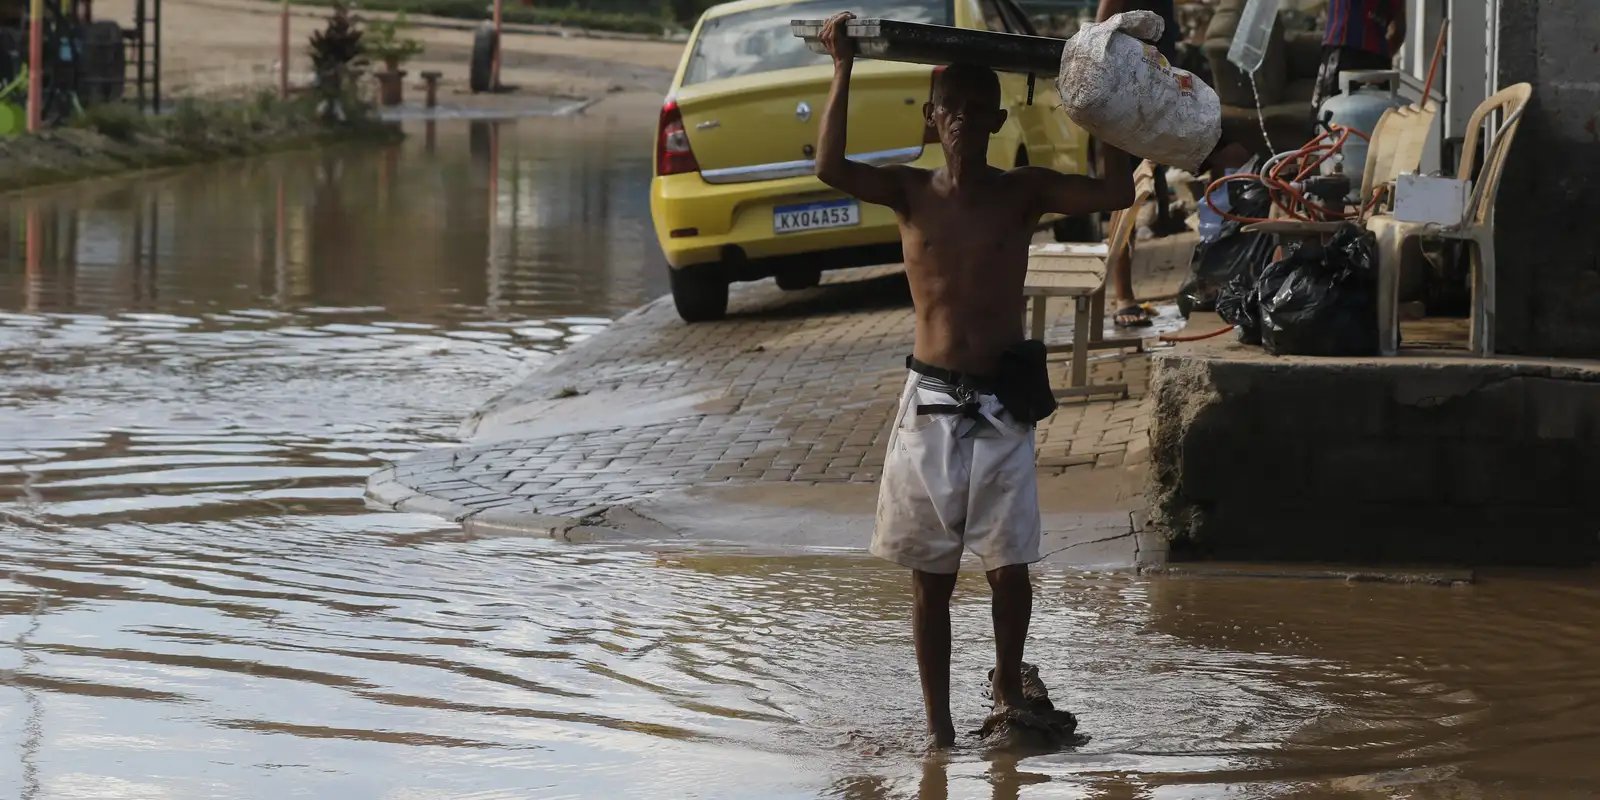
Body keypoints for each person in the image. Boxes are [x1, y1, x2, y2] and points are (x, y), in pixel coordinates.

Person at [812, 12, 1136, 749]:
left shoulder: (1022, 192)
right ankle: (938, 732)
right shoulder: (909, 192)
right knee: (930, 578)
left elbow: (1115, 190)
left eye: (973, 109)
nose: (960, 121)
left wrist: (1100, 94)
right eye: (947, 110)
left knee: (1009, 568)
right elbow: (830, 168)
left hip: (1000, 406)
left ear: (995, 118)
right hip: (928, 404)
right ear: (932, 121)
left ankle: (1010, 692)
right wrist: (843, 67)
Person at [1095, 0, 1183, 327]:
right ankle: (1123, 294)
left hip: (1156, 87)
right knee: (1125, 194)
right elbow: (1099, 33)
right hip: (1123, 94)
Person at [1311, 0, 1406, 115]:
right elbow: (1399, 27)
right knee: (1378, 122)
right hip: (1377, 55)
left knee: (1325, 120)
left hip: (1343, 47)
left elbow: (1399, 26)